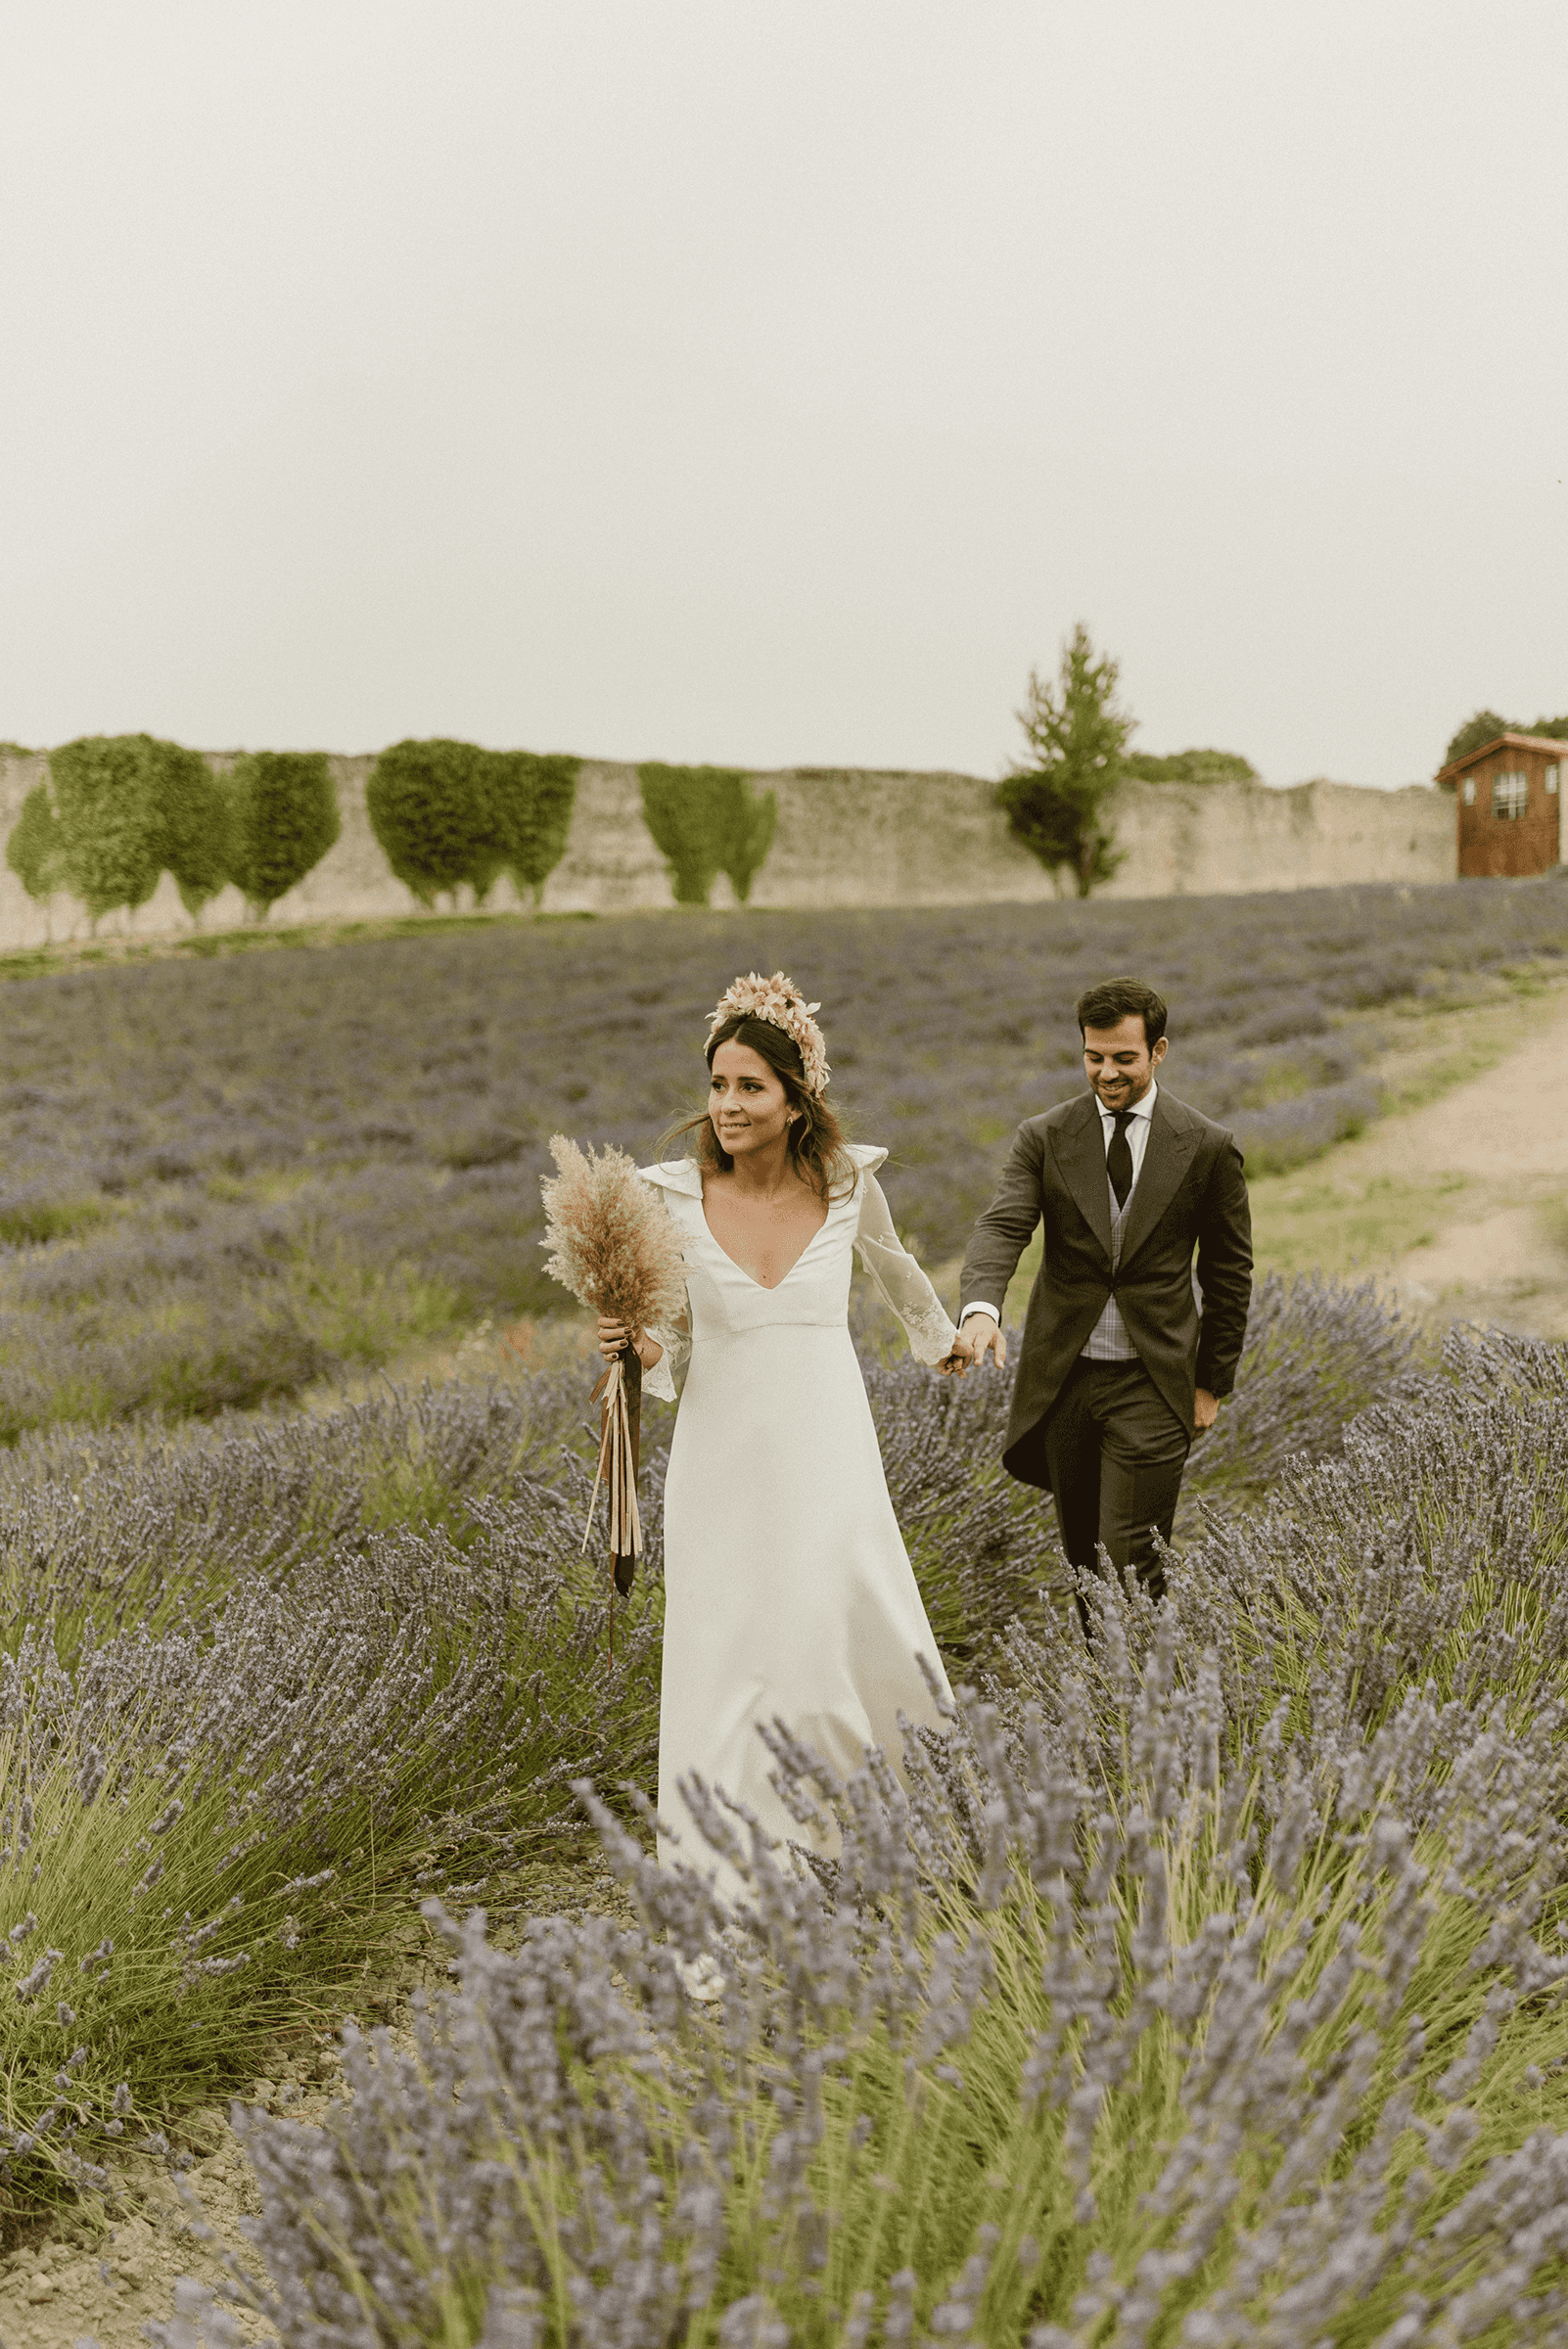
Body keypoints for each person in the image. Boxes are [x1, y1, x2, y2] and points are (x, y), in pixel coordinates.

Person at [594, 971, 960, 1918]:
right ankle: (735, 1872)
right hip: (723, 1450)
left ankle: (871, 1834)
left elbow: (895, 1269)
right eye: (718, 1085)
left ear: (799, 1101)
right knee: (728, 1647)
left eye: (751, 1087)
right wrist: (631, 1346)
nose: (727, 1106)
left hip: (825, 1437)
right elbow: (666, 1337)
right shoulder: (665, 1198)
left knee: (828, 1618)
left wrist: (941, 1341)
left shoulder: (846, 1185)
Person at [947, 977, 1252, 1630]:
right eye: (1094, 1057)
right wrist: (981, 1309)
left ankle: (1143, 1710)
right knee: (1086, 1567)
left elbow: (1229, 1274)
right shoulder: (1046, 1136)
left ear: (1158, 1051)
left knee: (1131, 1562)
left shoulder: (1205, 1146)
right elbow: (1004, 1226)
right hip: (1068, 1385)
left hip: (1153, 1382)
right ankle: (1116, 1710)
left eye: (1123, 1058)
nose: (1106, 1072)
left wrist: (1212, 1383)